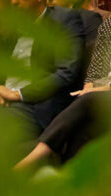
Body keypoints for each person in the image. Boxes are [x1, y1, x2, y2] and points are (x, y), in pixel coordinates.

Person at [16, 14, 111, 166]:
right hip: (100, 97)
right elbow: (93, 75)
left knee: (89, 100)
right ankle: (65, 167)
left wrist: (100, 89)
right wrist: (89, 87)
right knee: (84, 115)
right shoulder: (108, 26)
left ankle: (38, 154)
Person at [0, 0, 86, 136]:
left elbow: (66, 73)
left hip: (35, 104)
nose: (13, 2)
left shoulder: (65, 19)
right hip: (3, 99)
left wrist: (17, 94)